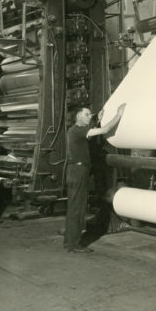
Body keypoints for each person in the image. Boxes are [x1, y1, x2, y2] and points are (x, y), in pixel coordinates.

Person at [64, 104, 126, 253]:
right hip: (78, 172)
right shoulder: (79, 131)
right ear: (79, 116)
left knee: (75, 207)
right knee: (77, 208)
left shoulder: (75, 130)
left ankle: (70, 241)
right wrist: (118, 115)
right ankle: (74, 244)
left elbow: (92, 132)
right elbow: (104, 131)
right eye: (87, 114)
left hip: (76, 171)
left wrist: (97, 120)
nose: (89, 116)